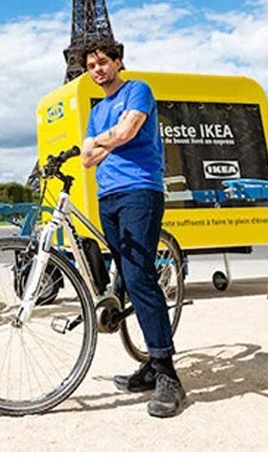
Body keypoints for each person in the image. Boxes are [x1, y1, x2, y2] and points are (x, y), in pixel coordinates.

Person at [79, 39, 186, 418]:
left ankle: (168, 374)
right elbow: (87, 159)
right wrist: (104, 141)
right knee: (125, 275)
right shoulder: (98, 110)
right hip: (108, 195)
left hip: (140, 189)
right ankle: (151, 365)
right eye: (91, 66)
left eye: (102, 62)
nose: (97, 70)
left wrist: (100, 141)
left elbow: (125, 132)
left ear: (118, 62)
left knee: (140, 277)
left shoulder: (138, 90)